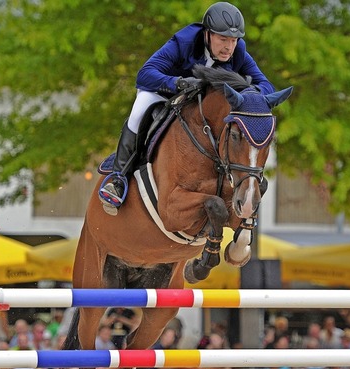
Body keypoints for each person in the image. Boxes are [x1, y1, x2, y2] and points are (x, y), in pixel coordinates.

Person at [98, 1, 276, 215]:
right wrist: (178, 83)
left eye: (234, 40)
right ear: (207, 34)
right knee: (138, 111)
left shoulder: (237, 51)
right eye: (223, 39)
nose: (229, 47)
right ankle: (118, 178)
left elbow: (266, 85)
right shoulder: (184, 42)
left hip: (196, 105)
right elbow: (145, 74)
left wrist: (251, 95)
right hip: (163, 90)